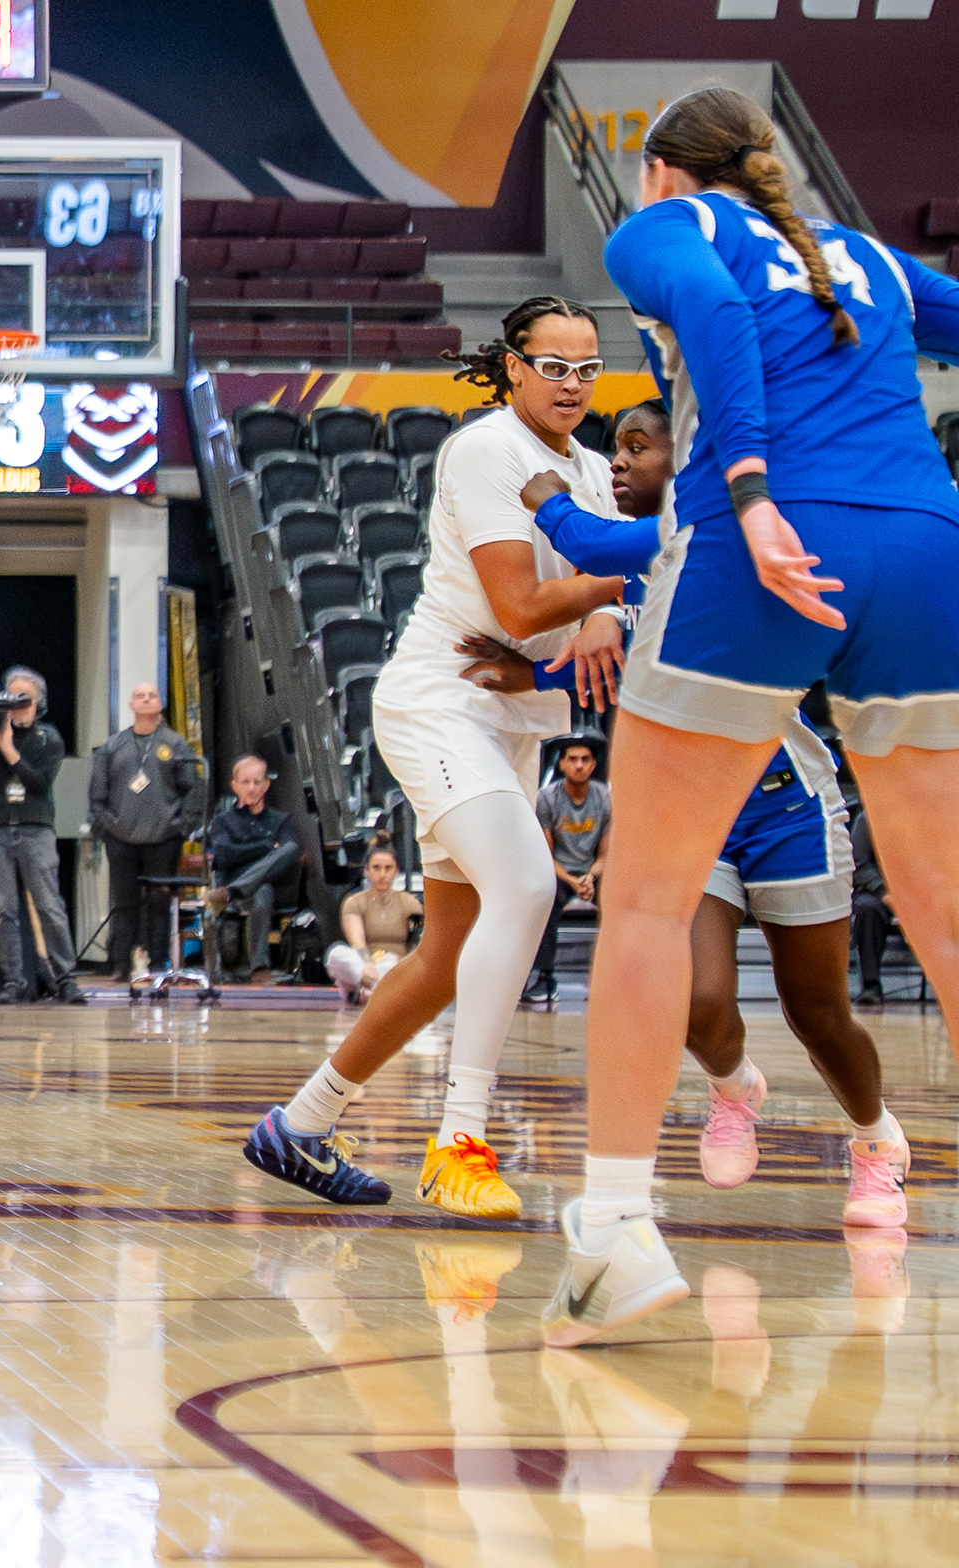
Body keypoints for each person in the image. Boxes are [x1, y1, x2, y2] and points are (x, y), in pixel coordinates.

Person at [543, 85, 959, 1348]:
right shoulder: (868, 259)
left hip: (767, 544)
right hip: (918, 547)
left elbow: (704, 312)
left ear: (658, 173)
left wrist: (746, 487)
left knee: (643, 896)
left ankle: (614, 1230)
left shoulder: (665, 230)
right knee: (957, 914)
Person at [241, 294, 627, 1218]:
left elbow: (600, 619)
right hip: (440, 703)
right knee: (529, 889)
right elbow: (532, 609)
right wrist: (648, 569)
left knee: (451, 952)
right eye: (555, 366)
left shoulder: (592, 469)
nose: (573, 384)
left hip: (515, 717)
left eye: (588, 368)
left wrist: (611, 601)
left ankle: (299, 1125)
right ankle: (459, 1141)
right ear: (513, 367)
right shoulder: (489, 450)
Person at [504, 393, 911, 1229]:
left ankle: (876, 1143)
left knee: (818, 1012)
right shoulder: (653, 567)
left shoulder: (705, 533)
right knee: (695, 999)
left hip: (785, 803)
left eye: (636, 446)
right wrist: (529, 673)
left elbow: (584, 540)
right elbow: (616, 652)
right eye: (612, 448)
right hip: (696, 814)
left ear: (682, 463)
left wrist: (542, 490)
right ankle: (734, 1089)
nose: (617, 461)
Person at [0, 669, 81, 1004]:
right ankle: (14, 981)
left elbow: (38, 783)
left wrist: (7, 747)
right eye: (11, 699)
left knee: (49, 905)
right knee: (4, 909)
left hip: (34, 826)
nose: (17, 706)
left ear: (38, 703)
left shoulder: (48, 738)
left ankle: (66, 979)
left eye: (24, 699)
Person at [88, 681, 204, 982]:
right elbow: (97, 794)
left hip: (163, 839)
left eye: (151, 695)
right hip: (121, 839)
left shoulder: (176, 745)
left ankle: (157, 964)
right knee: (124, 902)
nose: (145, 699)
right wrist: (107, 826)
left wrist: (182, 826)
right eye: (139, 695)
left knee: (159, 902)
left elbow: (193, 788)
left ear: (159, 704)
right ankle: (120, 964)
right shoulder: (112, 746)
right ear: (131, 705)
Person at [203, 756, 307, 985]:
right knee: (262, 889)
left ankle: (233, 892)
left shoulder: (282, 820)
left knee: (286, 855)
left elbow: (290, 852)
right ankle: (259, 967)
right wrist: (266, 847)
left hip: (272, 886)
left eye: (257, 781)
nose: (252, 788)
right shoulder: (222, 821)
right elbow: (225, 855)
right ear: (235, 785)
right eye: (246, 782)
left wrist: (252, 853)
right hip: (235, 878)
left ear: (266, 784)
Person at [527, 736, 612, 1003]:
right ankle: (544, 976)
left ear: (594, 764)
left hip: (592, 872)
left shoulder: (605, 799)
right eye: (572, 759)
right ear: (562, 764)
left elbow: (606, 855)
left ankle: (610, 979)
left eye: (585, 759)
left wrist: (590, 877)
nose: (579, 765)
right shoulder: (548, 799)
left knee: (619, 900)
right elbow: (545, 856)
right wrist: (573, 881)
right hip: (558, 871)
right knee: (545, 898)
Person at [324, 845, 422, 1005]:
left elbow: (419, 941)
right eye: (376, 868)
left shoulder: (410, 903)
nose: (382, 874)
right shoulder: (354, 902)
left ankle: (375, 994)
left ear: (396, 870)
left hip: (395, 966)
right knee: (336, 954)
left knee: (404, 968)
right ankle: (380, 993)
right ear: (366, 871)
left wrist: (405, 966)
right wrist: (368, 966)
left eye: (388, 868)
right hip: (364, 968)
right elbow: (357, 942)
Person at [849, 805, 892, 1005]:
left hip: (921, 892)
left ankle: (947, 988)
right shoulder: (869, 817)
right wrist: (886, 891)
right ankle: (871, 984)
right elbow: (858, 863)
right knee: (867, 907)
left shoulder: (929, 816)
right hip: (880, 889)